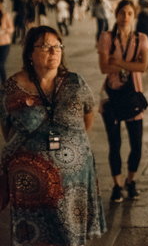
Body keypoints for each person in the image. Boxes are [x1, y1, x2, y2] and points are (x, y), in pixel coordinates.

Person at [0, 25, 106, 245]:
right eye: (46, 47)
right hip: (30, 187)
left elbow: (88, 117)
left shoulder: (75, 82)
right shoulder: (12, 87)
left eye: (58, 46)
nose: (54, 51)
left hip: (73, 183)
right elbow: (7, 130)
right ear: (30, 53)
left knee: (70, 236)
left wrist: (71, 145)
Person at [97, 0, 148, 203]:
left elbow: (144, 66)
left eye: (129, 13)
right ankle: (117, 184)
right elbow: (103, 68)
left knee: (136, 144)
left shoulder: (141, 38)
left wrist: (117, 62)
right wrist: (130, 64)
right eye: (122, 13)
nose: (125, 17)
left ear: (134, 15)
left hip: (133, 95)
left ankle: (131, 180)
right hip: (110, 97)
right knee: (114, 143)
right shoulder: (106, 37)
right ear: (116, 14)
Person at [0, 0, 14, 86]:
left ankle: (4, 83)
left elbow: (11, 28)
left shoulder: (6, 15)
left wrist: (3, 30)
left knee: (1, 64)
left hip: (4, 43)